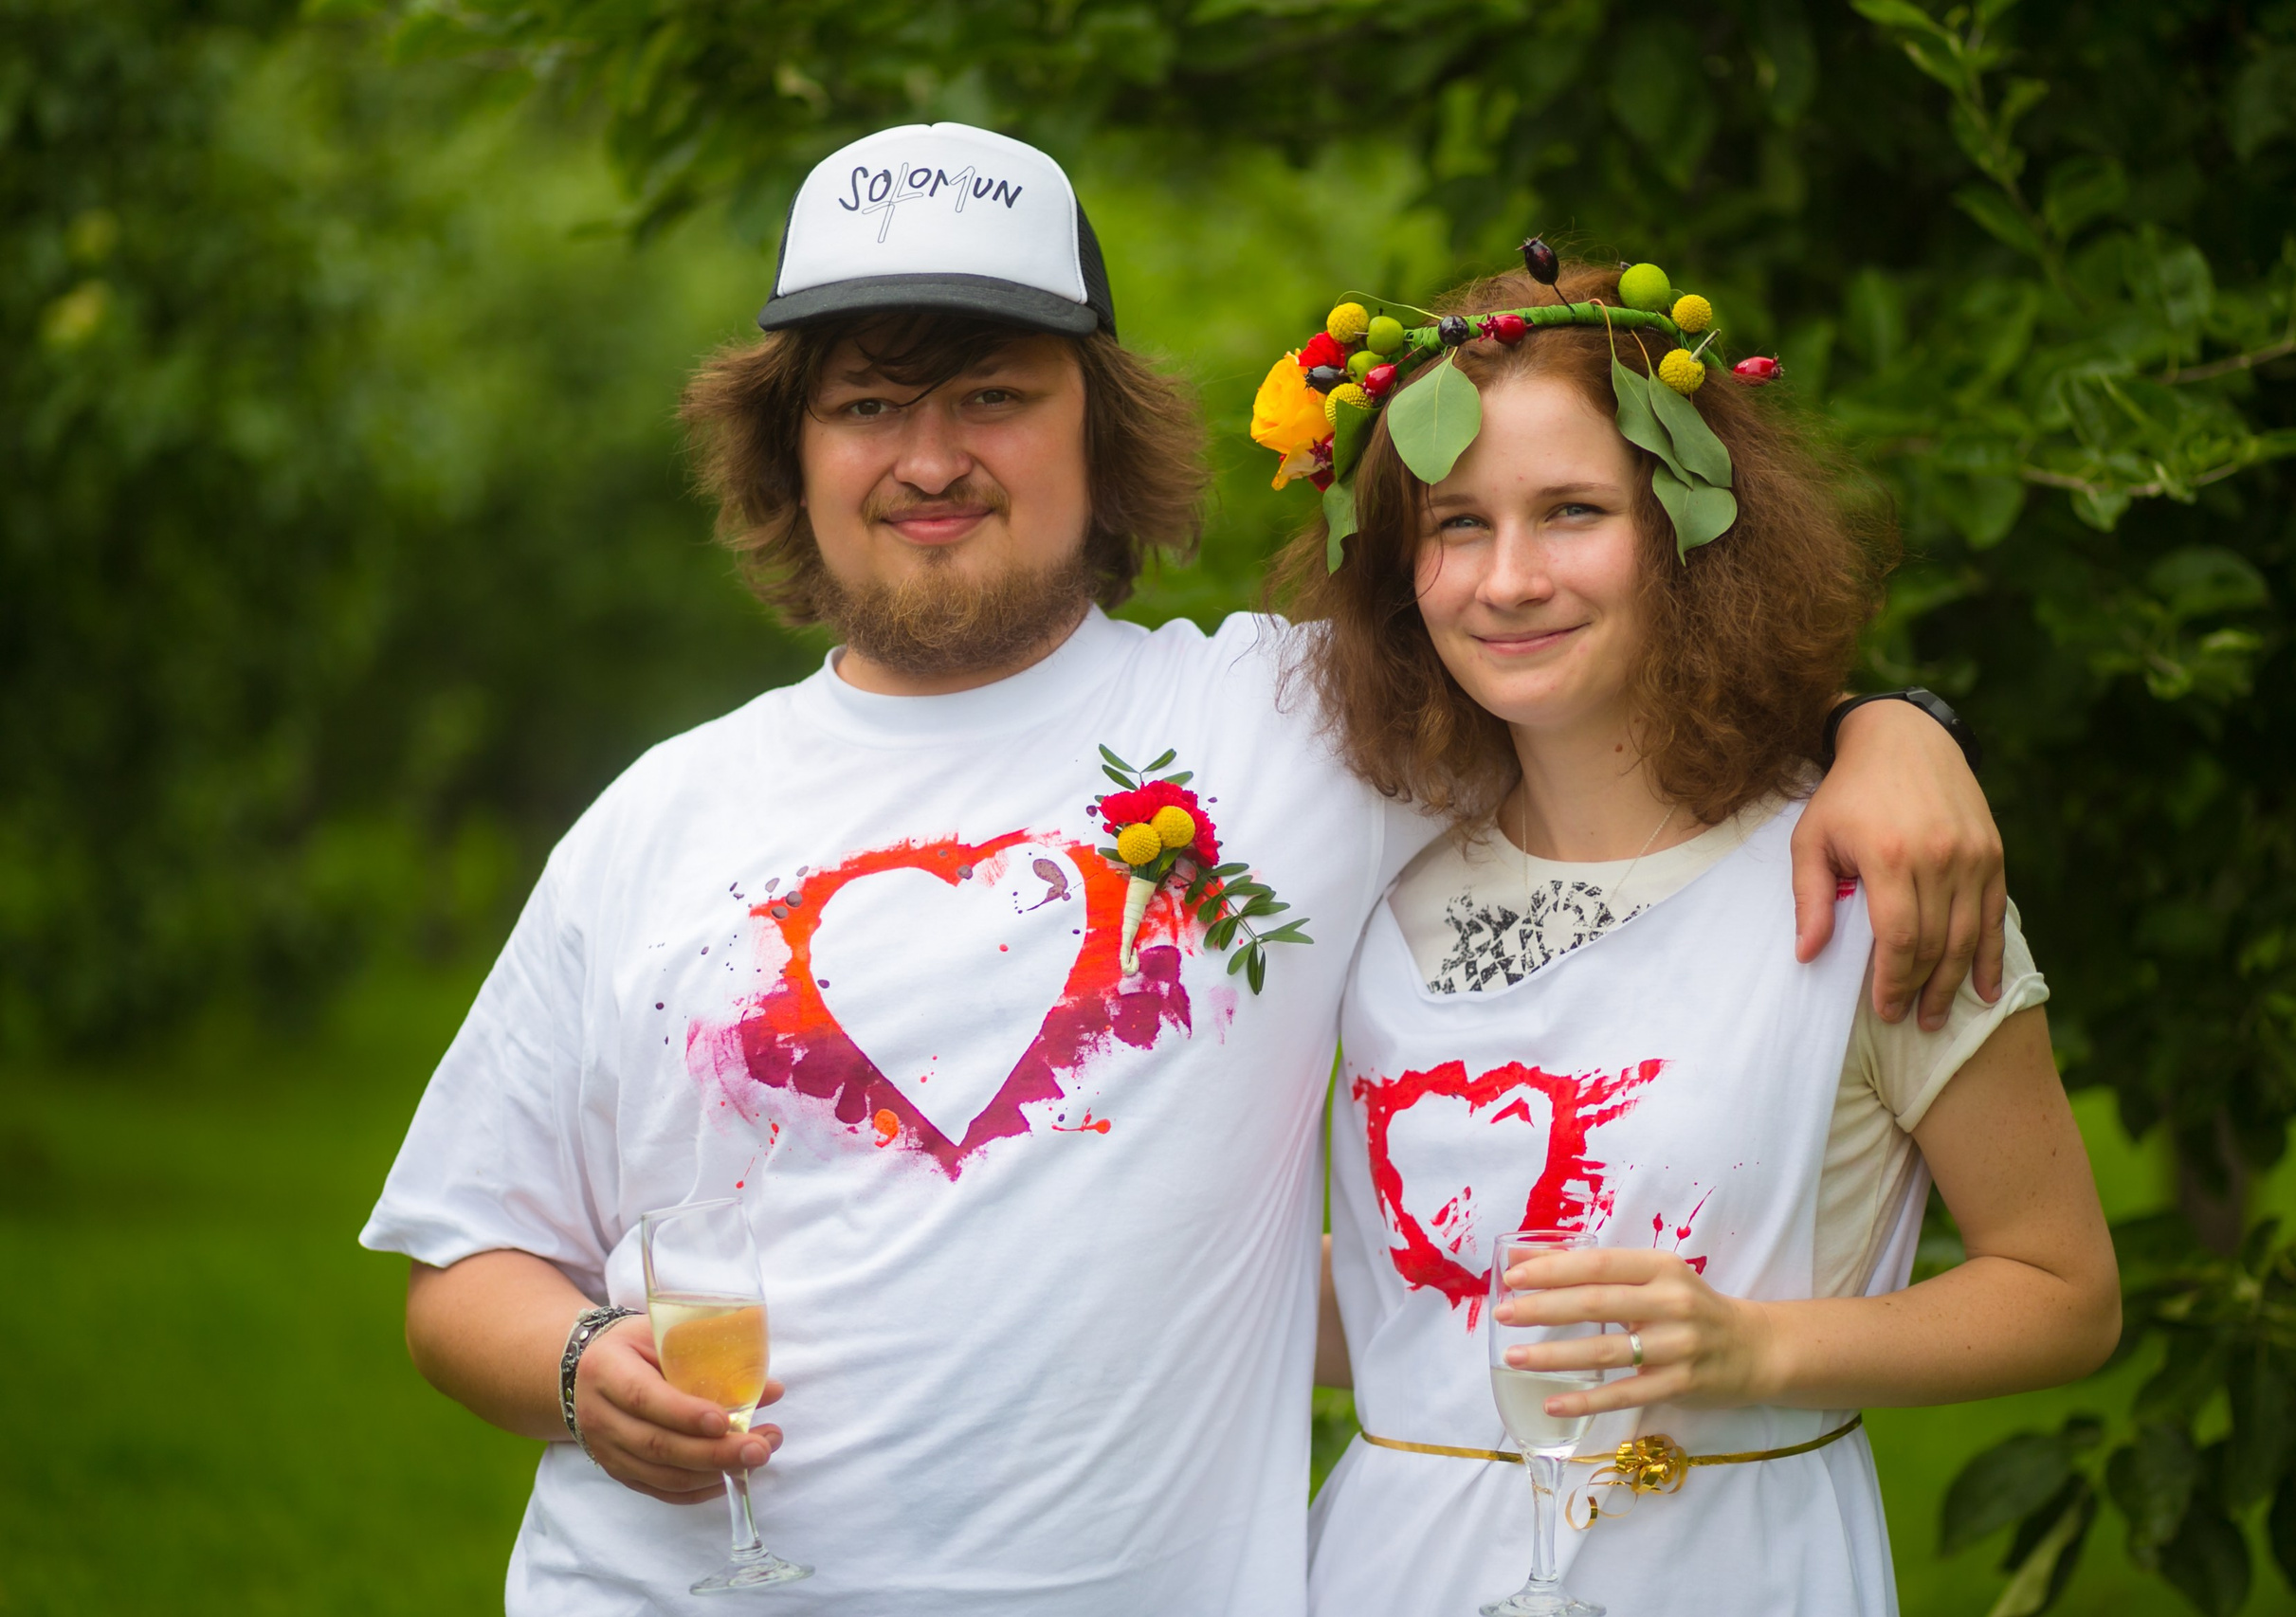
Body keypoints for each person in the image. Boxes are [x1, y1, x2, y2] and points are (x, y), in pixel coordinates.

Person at [360, 124, 2006, 1616]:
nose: (929, 459)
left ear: (1102, 432)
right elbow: (465, 1266)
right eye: (865, 405)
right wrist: (579, 1365)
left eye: (992, 396)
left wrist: (1888, 727)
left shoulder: (1301, 725)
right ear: (789, 452)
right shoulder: (655, 818)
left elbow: (1600, 663)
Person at [1285, 259, 2120, 1616]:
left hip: (1733, 1567)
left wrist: (1759, 1349)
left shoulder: (1869, 880)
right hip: (1390, 1573)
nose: (1509, 579)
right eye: (1457, 524)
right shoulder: (1371, 874)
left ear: (1688, 530)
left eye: (1572, 511)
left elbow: (2063, 1290)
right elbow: (1405, 1307)